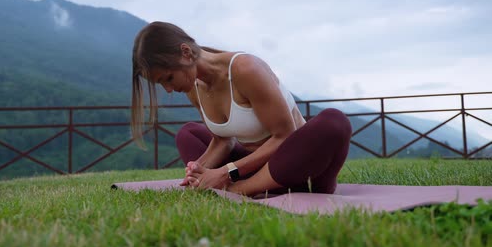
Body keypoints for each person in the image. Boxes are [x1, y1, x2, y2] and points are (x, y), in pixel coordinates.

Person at [131, 21, 352, 197]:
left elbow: (285, 136)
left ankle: (239, 190)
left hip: (297, 168)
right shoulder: (193, 86)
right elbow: (223, 140)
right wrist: (199, 170)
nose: (169, 89)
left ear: (186, 53)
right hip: (251, 167)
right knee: (188, 134)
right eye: (162, 84)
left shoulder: (245, 69)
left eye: (168, 78)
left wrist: (226, 173)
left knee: (334, 121)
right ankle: (238, 185)